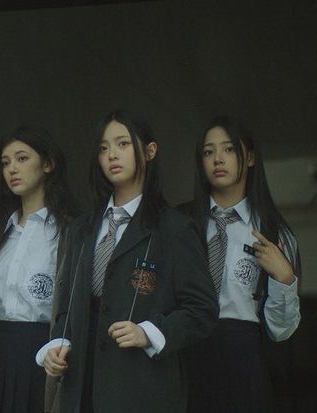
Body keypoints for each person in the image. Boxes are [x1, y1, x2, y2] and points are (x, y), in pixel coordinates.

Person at [40, 109, 218, 413]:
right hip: (81, 384)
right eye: (104, 148)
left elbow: (202, 309)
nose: (112, 155)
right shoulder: (81, 228)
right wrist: (57, 345)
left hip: (141, 387)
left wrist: (150, 332)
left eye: (122, 144)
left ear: (149, 152)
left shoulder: (173, 228)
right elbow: (67, 306)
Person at [183, 116, 301, 413]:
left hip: (242, 358)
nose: (217, 159)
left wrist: (284, 278)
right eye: (208, 152)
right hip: (183, 352)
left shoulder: (274, 233)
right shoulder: (179, 224)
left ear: (249, 157)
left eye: (229, 150)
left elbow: (281, 330)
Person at [0, 126, 77, 413]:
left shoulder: (70, 232)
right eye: (5, 162)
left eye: (22, 158)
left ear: (48, 164)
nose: (12, 168)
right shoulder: (1, 234)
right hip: (0, 354)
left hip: (46, 352)